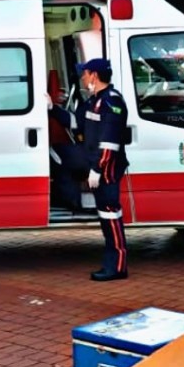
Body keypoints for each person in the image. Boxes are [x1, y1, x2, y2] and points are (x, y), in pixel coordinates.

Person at [49, 58, 130, 281]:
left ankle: (117, 267)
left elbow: (109, 142)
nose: (83, 78)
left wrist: (97, 169)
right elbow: (75, 121)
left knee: (111, 216)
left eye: (85, 74)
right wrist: (52, 108)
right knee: (105, 216)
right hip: (98, 165)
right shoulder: (94, 101)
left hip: (107, 169)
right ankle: (111, 264)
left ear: (94, 75)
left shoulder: (112, 103)